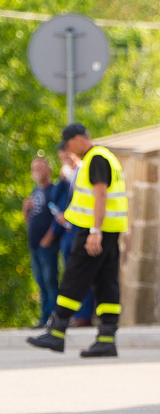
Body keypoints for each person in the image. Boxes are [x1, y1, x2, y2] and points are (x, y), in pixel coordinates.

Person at [27, 123, 128, 357]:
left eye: (69, 144)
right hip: (108, 230)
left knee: (74, 276)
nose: (69, 150)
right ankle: (106, 339)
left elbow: (101, 194)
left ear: (78, 139)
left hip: (95, 231)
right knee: (106, 282)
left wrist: (95, 230)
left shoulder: (96, 158)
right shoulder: (102, 157)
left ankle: (56, 332)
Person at [54, 146, 96, 327]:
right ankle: (74, 313)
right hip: (68, 231)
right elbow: (57, 199)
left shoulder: (83, 172)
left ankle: (84, 315)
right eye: (63, 159)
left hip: (81, 228)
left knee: (83, 272)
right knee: (70, 274)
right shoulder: (67, 178)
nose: (66, 162)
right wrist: (61, 180)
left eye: (68, 157)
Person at [23, 158, 62, 328]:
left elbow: (58, 216)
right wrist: (25, 208)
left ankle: (55, 317)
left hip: (47, 245)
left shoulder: (53, 191)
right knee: (40, 282)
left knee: (50, 280)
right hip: (34, 245)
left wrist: (50, 237)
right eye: (34, 168)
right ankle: (44, 317)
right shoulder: (34, 191)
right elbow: (28, 220)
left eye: (40, 167)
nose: (37, 171)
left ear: (49, 170)